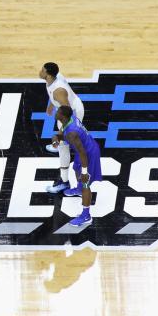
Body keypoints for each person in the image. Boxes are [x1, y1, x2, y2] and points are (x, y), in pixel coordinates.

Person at [53, 106, 103, 226]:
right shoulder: (69, 119)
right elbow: (60, 134)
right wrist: (56, 139)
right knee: (76, 168)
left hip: (88, 154)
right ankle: (79, 189)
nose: (56, 113)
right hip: (83, 150)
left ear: (63, 116)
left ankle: (86, 216)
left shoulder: (72, 133)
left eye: (58, 112)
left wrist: (85, 172)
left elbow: (82, 153)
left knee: (85, 183)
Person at [40, 62, 85, 194]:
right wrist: (51, 104)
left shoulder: (59, 91)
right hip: (69, 108)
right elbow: (55, 96)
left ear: (48, 75)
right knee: (62, 143)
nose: (40, 72)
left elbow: (67, 112)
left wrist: (60, 134)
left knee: (63, 147)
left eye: (42, 70)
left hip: (72, 114)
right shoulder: (55, 77)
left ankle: (64, 182)